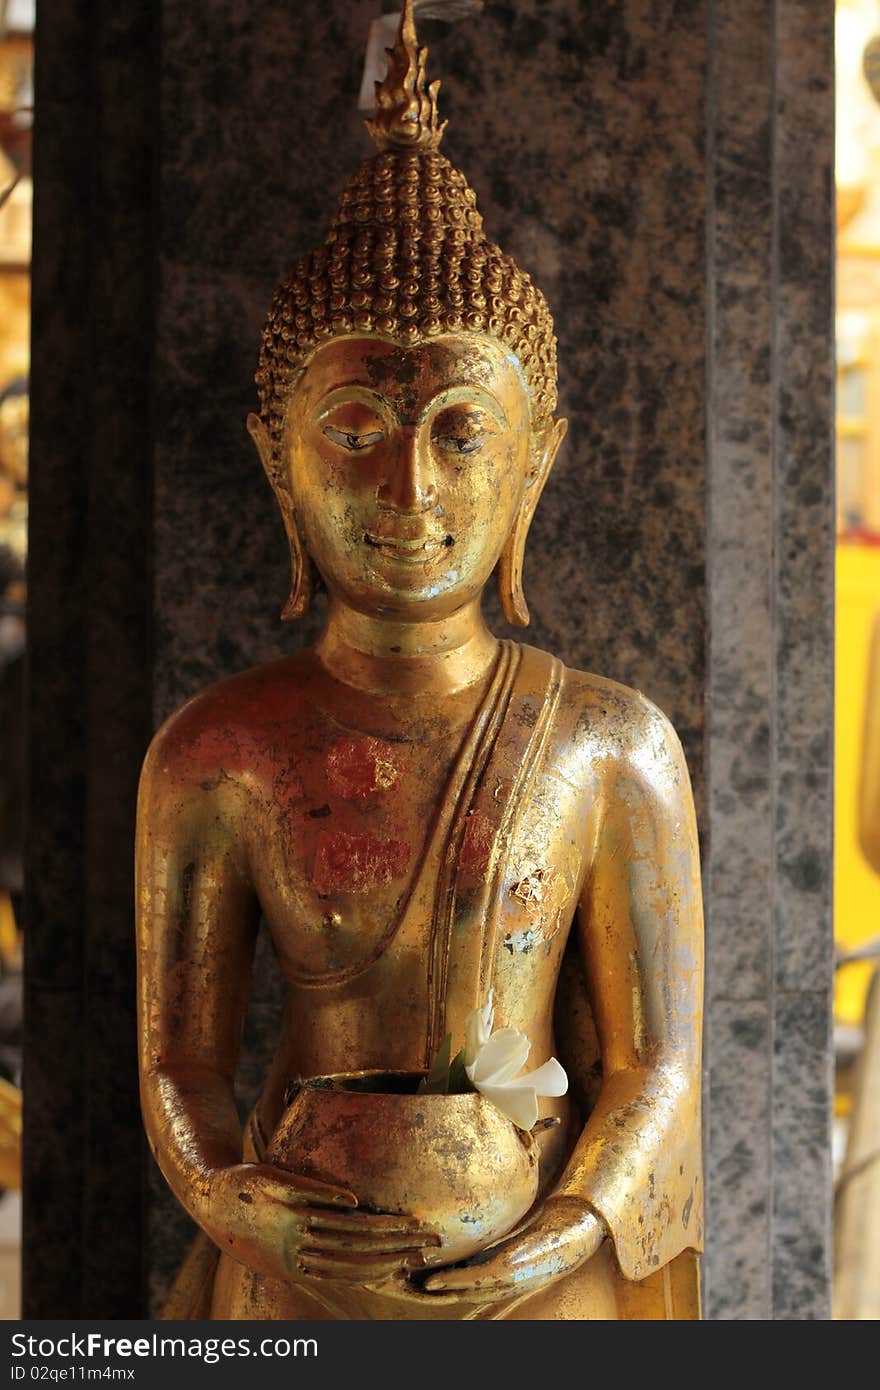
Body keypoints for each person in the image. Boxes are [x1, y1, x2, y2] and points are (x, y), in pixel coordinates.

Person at [137, 2, 703, 1320]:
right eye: (355, 423)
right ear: (281, 462)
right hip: (301, 1256)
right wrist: (237, 1197)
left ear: (534, 465)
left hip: (534, 1261)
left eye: (460, 429)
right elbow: (182, 1063)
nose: (408, 482)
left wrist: (562, 1233)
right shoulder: (217, 749)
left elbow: (657, 1064)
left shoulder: (610, 743)